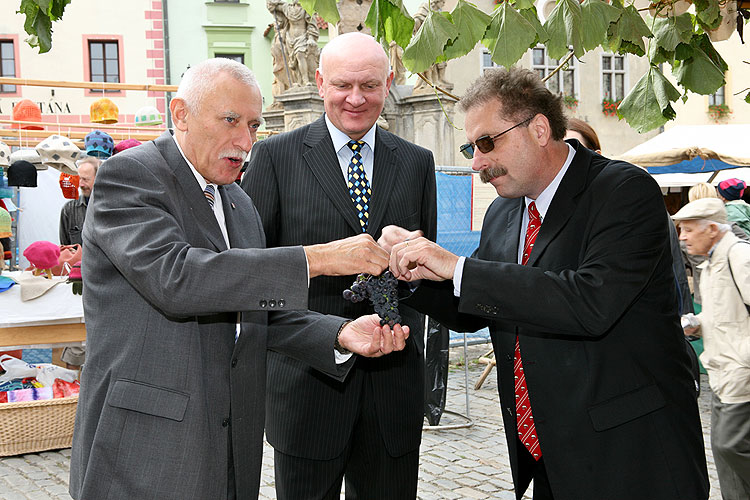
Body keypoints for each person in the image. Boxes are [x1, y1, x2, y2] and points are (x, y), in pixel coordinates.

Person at [69, 58, 411, 500]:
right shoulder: (131, 175)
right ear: (181, 114)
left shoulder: (239, 204)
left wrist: (340, 333)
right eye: (231, 120)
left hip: (230, 446)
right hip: (145, 448)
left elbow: (251, 306)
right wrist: (319, 258)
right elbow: (178, 279)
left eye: (253, 124)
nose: (245, 141)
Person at [381, 67, 709, 499]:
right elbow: (478, 303)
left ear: (538, 128)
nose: (476, 162)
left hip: (632, 456)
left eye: (485, 143)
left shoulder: (623, 190)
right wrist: (416, 274)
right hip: (548, 458)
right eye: (469, 147)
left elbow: (590, 301)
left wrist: (456, 266)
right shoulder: (504, 211)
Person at [241, 32, 436, 500]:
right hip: (308, 388)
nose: (356, 98)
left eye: (369, 84)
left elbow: (425, 279)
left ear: (389, 82)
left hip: (392, 390)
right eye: (343, 84)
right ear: (319, 81)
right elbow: (253, 273)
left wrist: (408, 267)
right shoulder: (274, 157)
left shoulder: (416, 162)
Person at [675, 198, 750, 500]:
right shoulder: (712, 262)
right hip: (722, 371)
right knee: (723, 456)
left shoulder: (739, 257)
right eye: (681, 230)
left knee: (729, 445)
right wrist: (696, 323)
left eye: (689, 230)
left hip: (740, 372)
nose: (682, 237)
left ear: (712, 230)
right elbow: (724, 313)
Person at [683, 182, 748, 305]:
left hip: (708, 297)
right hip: (718, 298)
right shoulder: (730, 226)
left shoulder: (730, 232)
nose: (683, 236)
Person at [58, 156, 100, 246]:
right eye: (79, 178)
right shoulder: (69, 209)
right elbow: (65, 247)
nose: (80, 184)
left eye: (85, 179)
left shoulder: (111, 207)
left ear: (98, 179)